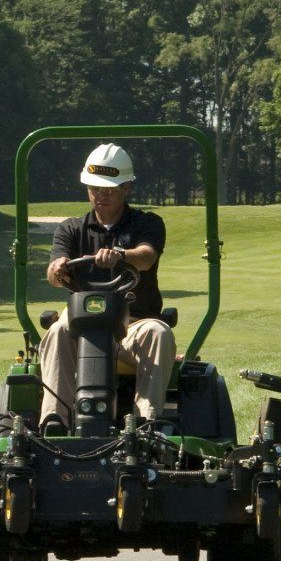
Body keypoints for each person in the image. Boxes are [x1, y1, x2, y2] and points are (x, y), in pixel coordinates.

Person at [38, 143, 176, 432]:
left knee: (159, 332)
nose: (100, 195)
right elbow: (52, 274)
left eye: (108, 189)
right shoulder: (71, 229)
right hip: (83, 328)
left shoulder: (146, 223)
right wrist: (58, 268)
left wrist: (121, 255)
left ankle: (144, 422)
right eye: (94, 188)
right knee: (57, 330)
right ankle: (55, 420)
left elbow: (147, 257)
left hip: (132, 327)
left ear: (126, 188)